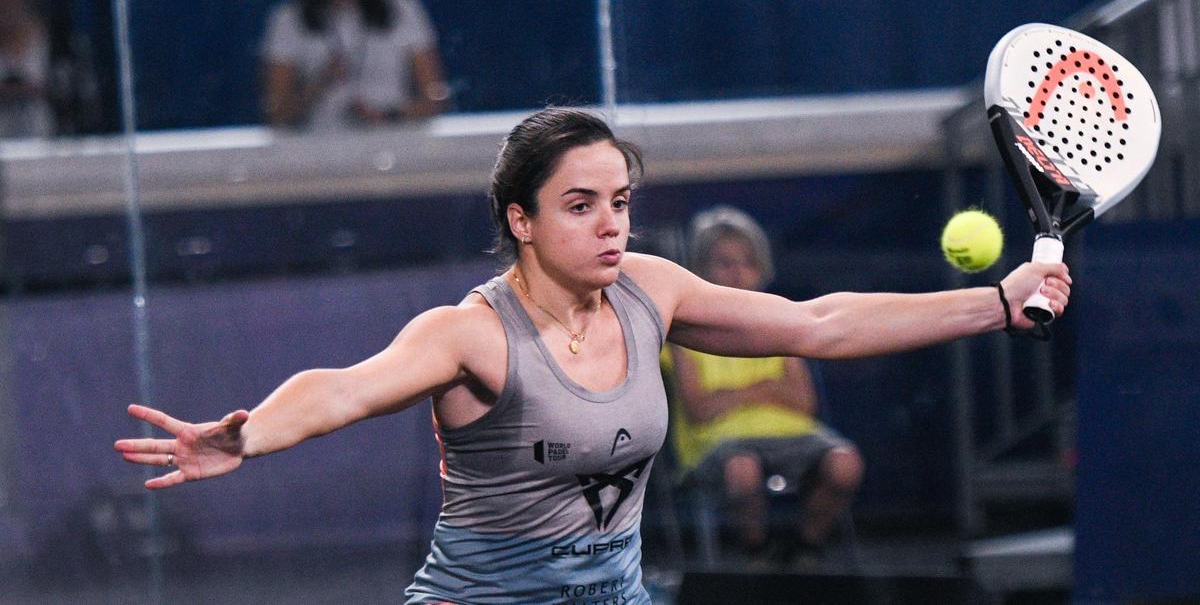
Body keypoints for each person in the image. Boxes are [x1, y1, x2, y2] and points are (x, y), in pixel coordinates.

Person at [114, 107, 1071, 603]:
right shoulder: (472, 333)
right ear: (520, 221)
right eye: (581, 205)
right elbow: (348, 387)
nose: (610, 222)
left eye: (619, 200)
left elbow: (820, 322)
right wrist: (251, 437)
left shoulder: (654, 287)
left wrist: (992, 303)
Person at [662, 206, 862, 560]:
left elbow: (803, 402)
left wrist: (733, 396)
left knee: (846, 464)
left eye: (747, 263)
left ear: (761, 269)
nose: (738, 273)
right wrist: (768, 390)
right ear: (699, 269)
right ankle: (757, 555)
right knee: (744, 469)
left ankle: (804, 551)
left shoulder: (781, 321)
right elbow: (700, 410)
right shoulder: (681, 333)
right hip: (715, 448)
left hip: (795, 436)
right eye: (724, 263)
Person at [261, 0, 448, 130]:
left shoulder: (403, 9)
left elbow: (434, 99)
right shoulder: (288, 20)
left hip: (394, 146)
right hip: (319, 152)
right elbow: (276, 114)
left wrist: (386, 114)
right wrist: (318, 84)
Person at [0, 0, 54, 138]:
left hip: (40, 139)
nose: (7, 11)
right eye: (2, 4)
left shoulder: (45, 35)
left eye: (12, 2)